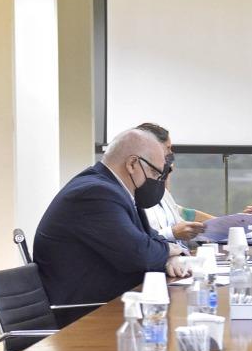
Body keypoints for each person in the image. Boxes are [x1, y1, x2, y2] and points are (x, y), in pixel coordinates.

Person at [34, 128, 190, 312]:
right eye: (155, 174)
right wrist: (169, 251)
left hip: (111, 303)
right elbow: (140, 254)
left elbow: (149, 237)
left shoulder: (113, 190)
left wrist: (169, 255)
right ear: (132, 164)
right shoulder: (96, 194)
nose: (157, 181)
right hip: (85, 315)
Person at [135, 122, 252, 243]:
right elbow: (140, 241)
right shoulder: (133, 197)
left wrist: (238, 222)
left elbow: (185, 216)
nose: (170, 157)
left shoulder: (161, 194)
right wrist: (172, 233)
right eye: (167, 149)